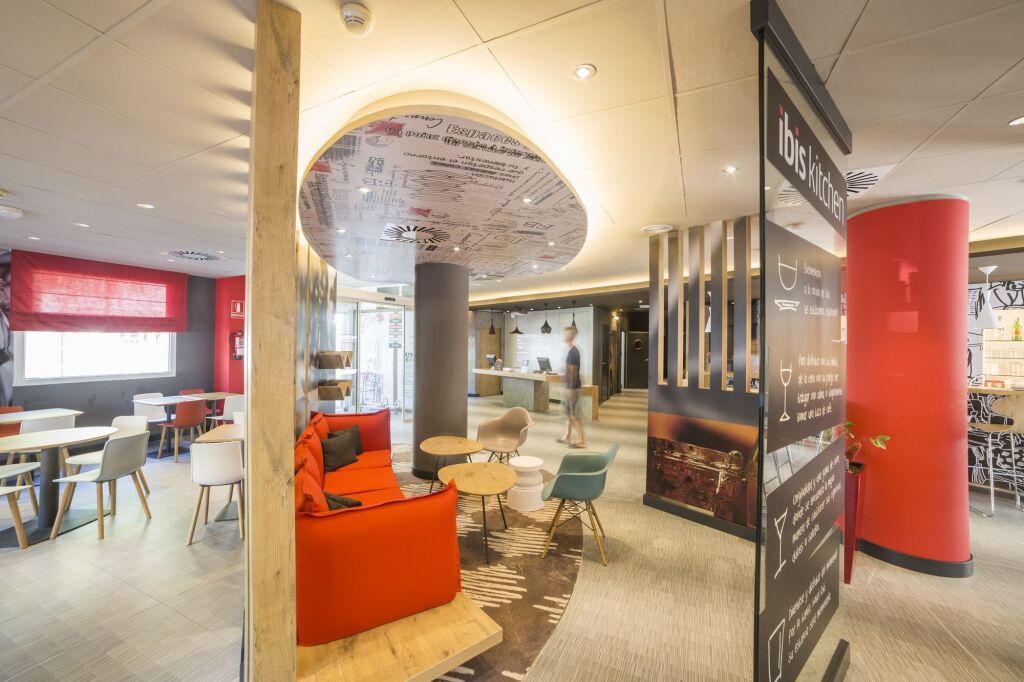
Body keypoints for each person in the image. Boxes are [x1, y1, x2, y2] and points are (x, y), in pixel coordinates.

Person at [558, 326, 586, 448]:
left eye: (566, 334)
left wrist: (570, 389)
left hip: (572, 388)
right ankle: (568, 437)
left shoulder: (573, 352)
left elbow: (573, 372)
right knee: (569, 414)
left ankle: (582, 440)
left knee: (574, 415)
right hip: (570, 387)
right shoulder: (571, 351)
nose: (564, 336)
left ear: (570, 336)